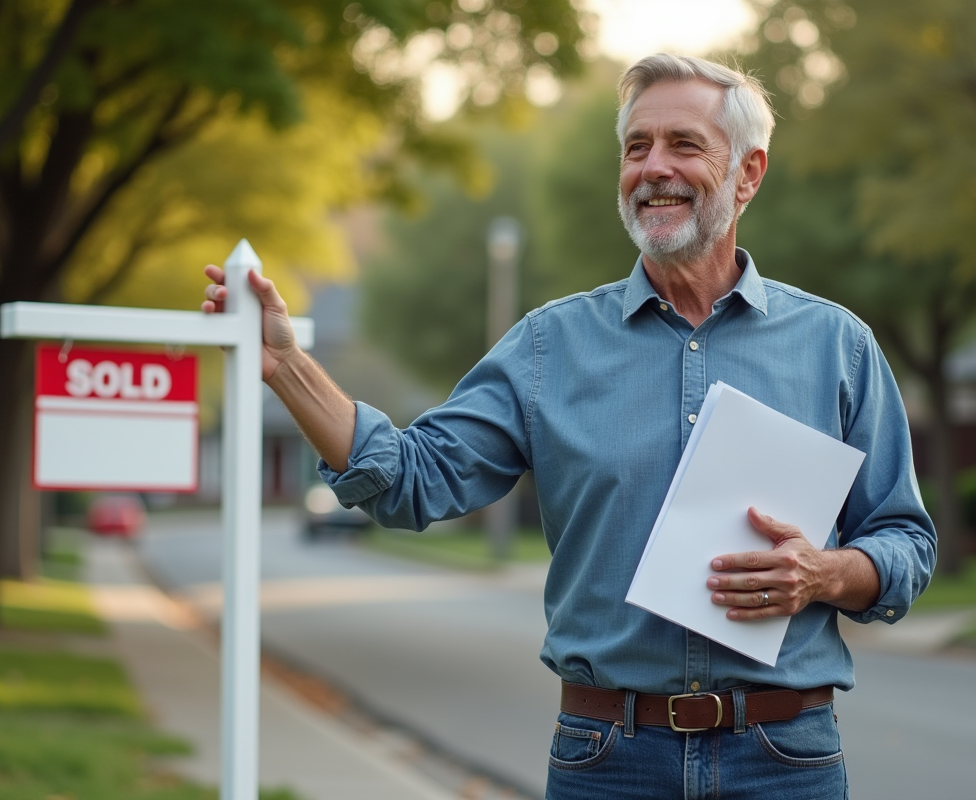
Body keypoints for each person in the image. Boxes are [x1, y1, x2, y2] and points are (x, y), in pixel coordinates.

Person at [202, 54, 935, 800]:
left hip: (785, 760)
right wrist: (286, 366)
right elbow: (408, 480)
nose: (653, 168)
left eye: (684, 144)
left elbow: (905, 541)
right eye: (636, 147)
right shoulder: (550, 347)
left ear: (748, 173)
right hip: (609, 762)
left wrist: (824, 573)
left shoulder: (835, 346)